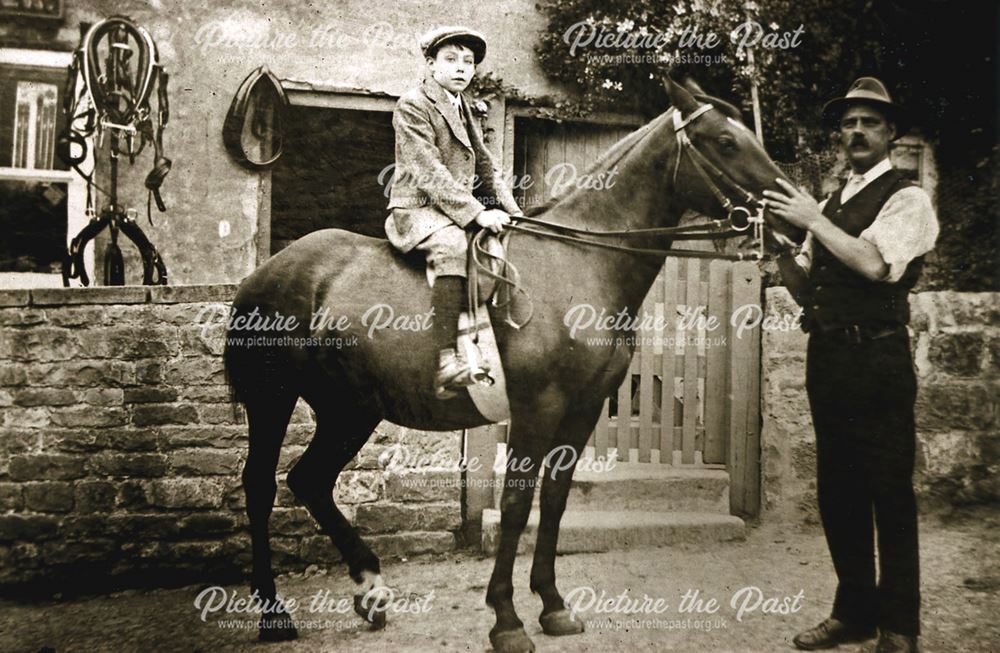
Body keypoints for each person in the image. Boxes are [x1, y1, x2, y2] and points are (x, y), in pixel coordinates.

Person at [763, 77, 939, 653]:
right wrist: (779, 253)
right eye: (848, 123)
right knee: (837, 491)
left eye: (869, 122)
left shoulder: (906, 198)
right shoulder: (834, 201)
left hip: (880, 358)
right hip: (830, 357)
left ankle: (901, 627)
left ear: (890, 133)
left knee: (888, 491)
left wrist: (812, 221)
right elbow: (809, 284)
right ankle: (854, 614)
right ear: (839, 135)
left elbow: (872, 264)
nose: (857, 131)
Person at [384, 25, 523, 399]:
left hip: (451, 209)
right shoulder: (414, 104)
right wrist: (478, 213)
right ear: (431, 64)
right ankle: (446, 361)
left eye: (469, 62)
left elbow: (486, 166)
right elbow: (428, 171)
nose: (462, 68)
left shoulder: (461, 106)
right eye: (451, 60)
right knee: (455, 248)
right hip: (418, 210)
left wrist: (514, 214)